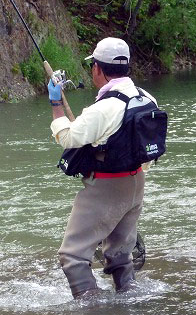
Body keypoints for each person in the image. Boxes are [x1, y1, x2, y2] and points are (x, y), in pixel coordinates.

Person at [47, 37, 157, 299]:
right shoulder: (146, 98)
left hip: (107, 187)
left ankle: (95, 314)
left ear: (97, 68)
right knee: (120, 252)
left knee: (72, 256)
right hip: (136, 183)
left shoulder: (104, 107)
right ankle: (131, 302)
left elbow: (68, 138)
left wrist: (55, 104)